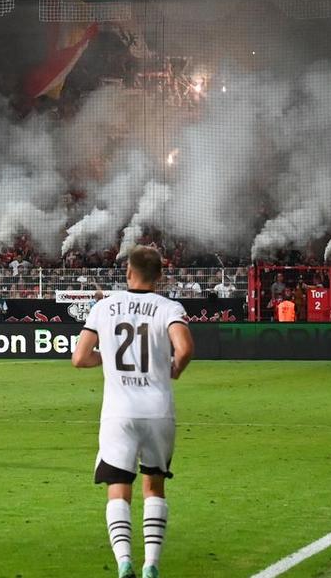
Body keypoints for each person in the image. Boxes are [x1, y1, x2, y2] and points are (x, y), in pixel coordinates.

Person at [72, 246, 194, 578]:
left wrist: (106, 359)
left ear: (128, 272)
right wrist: (175, 369)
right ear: (160, 276)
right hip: (157, 411)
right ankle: (151, 565)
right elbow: (184, 349)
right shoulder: (169, 307)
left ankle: (124, 561)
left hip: (118, 413)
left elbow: (80, 357)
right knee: (154, 487)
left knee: (118, 488)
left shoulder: (105, 307)